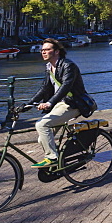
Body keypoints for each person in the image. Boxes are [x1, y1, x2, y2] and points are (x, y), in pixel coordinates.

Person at [30, 38, 90, 168]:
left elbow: (66, 87)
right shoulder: (49, 67)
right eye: (42, 50)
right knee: (42, 138)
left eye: (47, 50)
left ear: (56, 51)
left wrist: (49, 103)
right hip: (59, 105)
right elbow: (44, 88)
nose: (43, 52)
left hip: (73, 104)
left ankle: (52, 158)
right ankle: (61, 162)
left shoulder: (68, 65)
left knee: (41, 125)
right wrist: (28, 104)